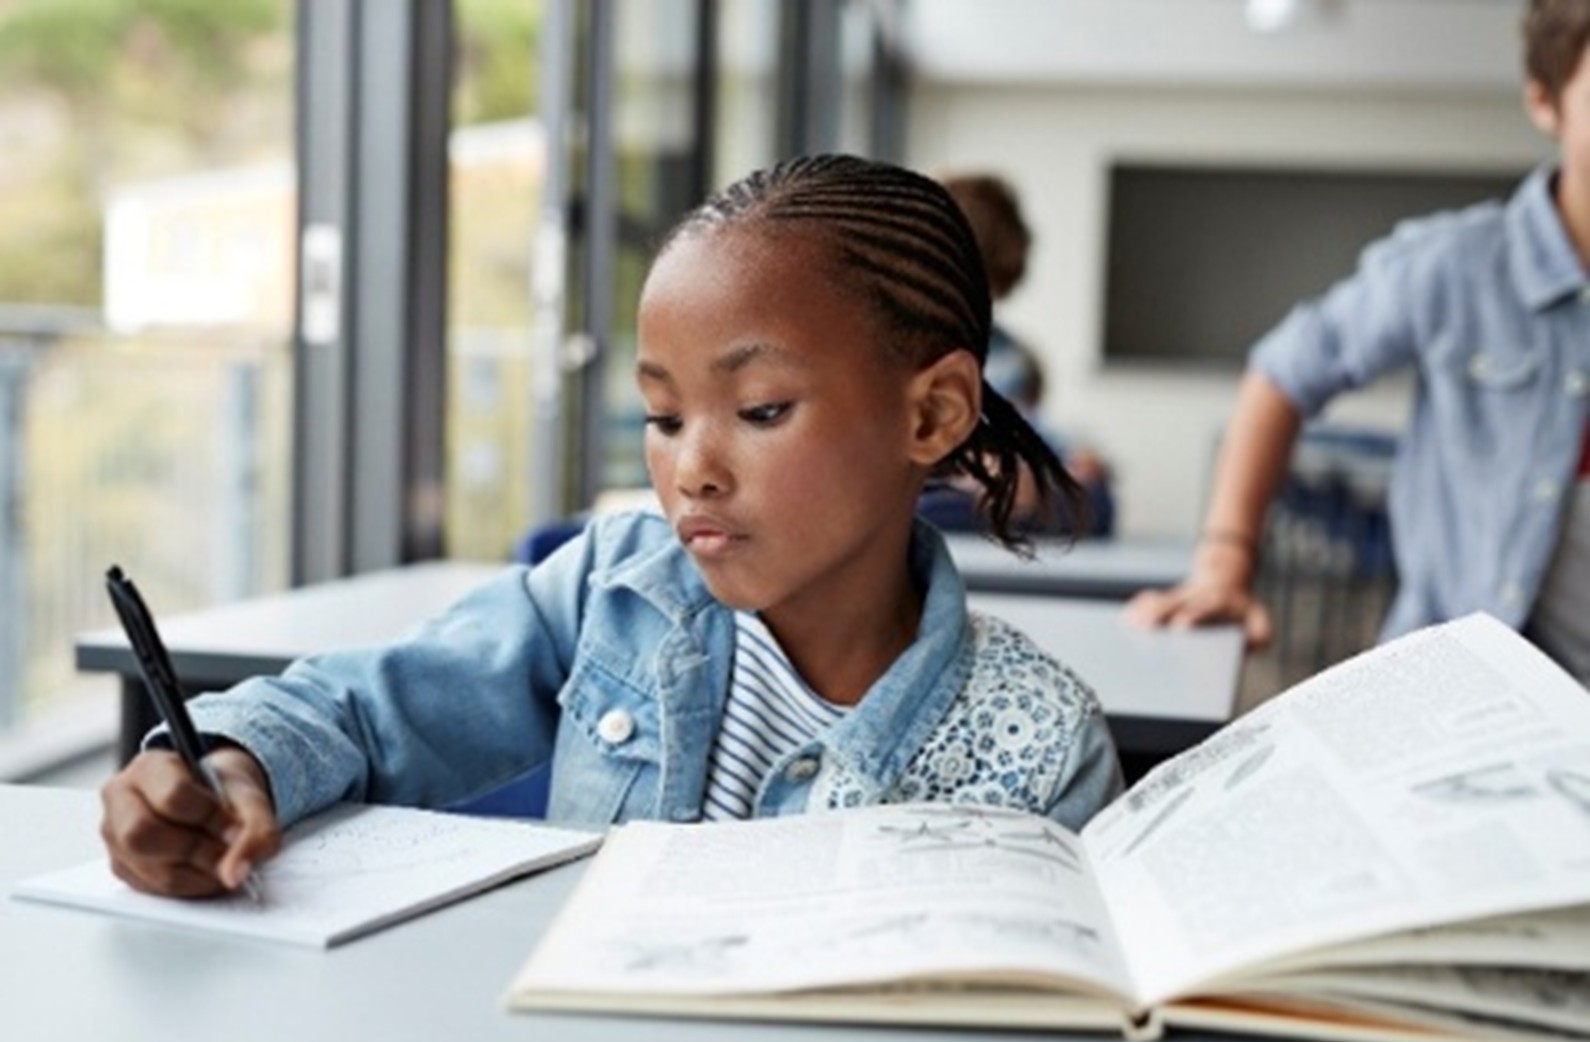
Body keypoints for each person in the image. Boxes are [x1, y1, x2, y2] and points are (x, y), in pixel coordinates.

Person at [99, 155, 1124, 898]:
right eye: (664, 418)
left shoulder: (1041, 747)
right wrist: (233, 766)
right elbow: (365, 708)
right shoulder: (613, 592)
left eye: (761, 410)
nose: (691, 469)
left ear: (932, 414)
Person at [1128, 0, 1590, 686]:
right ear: (1545, 102)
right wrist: (1226, 562)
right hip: (1460, 689)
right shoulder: (1456, 264)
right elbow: (1282, 372)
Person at [920, 172, 1116, 537]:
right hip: (937, 495)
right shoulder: (891, 350)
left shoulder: (1012, 358)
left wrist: (1072, 460)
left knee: (1097, 500)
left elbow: (1027, 427)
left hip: (1000, 493)